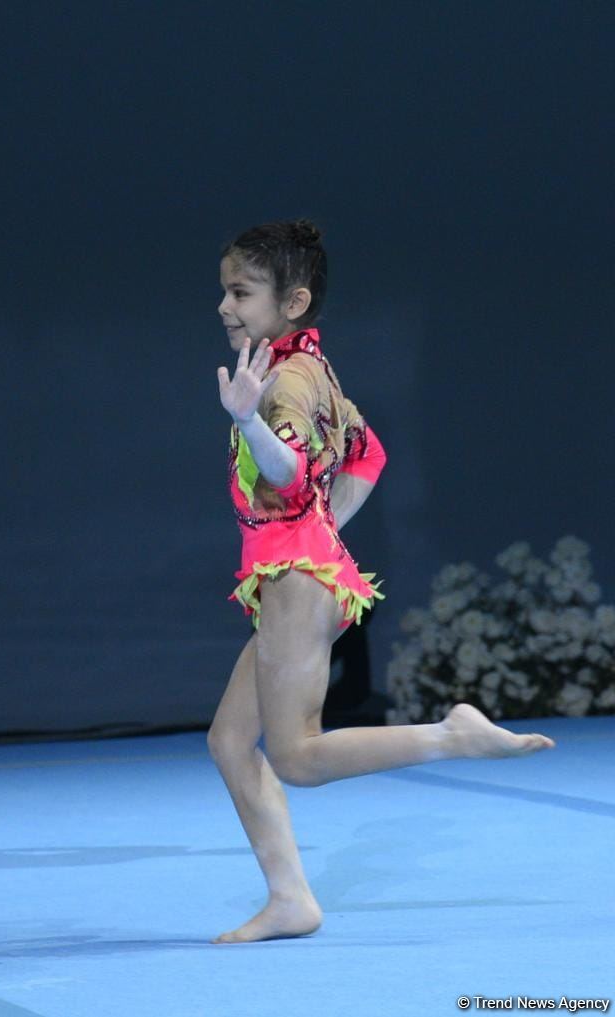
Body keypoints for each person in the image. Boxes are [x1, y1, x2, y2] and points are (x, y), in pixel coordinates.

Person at [207, 219, 554, 943]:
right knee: (231, 740)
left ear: (294, 299)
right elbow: (369, 453)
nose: (225, 306)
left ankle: (449, 736)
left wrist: (252, 424)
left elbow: (290, 471)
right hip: (300, 573)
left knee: (296, 755)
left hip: (299, 582)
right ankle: (290, 898)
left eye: (241, 292)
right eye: (224, 290)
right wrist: (323, 530)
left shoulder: (287, 380)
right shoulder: (306, 362)